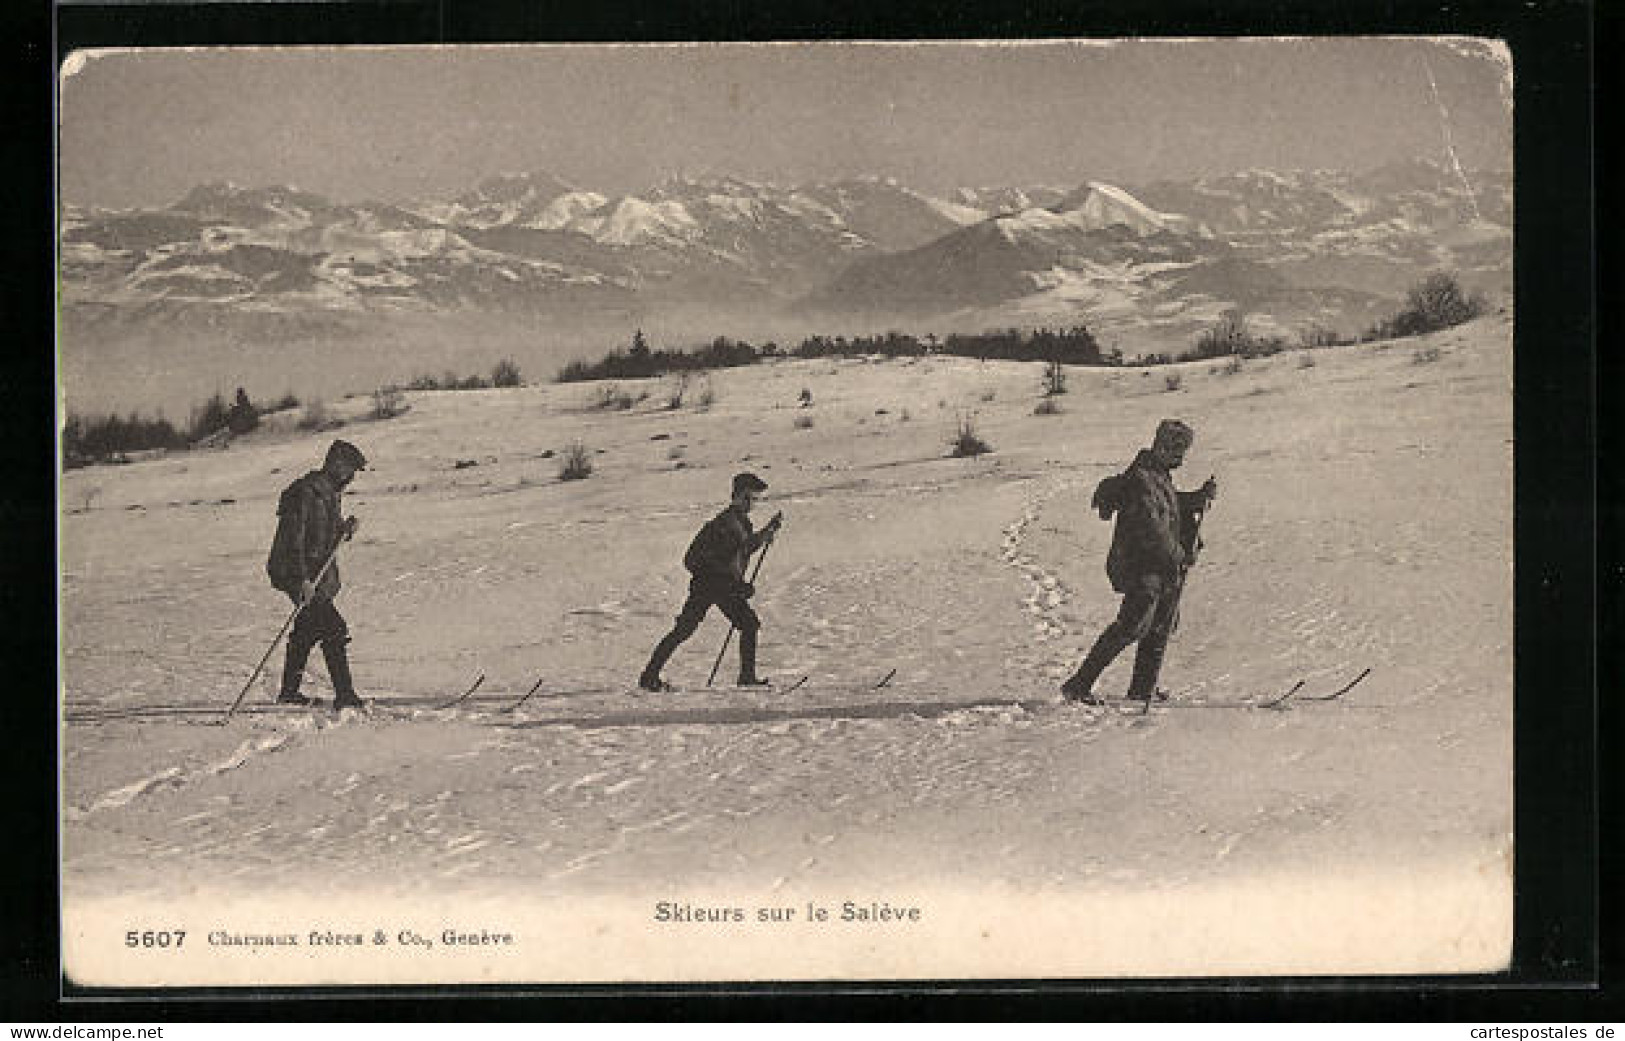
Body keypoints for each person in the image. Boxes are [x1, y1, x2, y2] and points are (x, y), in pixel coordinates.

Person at [1061, 419, 1217, 705]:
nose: (1181, 456)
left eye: (1183, 450)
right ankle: (1078, 684)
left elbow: (1169, 504)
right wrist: (1179, 555)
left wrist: (1196, 498)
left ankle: (1142, 688)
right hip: (1143, 566)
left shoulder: (1158, 476)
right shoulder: (1142, 478)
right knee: (1131, 625)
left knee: (1160, 624)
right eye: (1177, 449)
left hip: (1161, 566)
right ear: (1162, 445)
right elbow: (1152, 527)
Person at [640, 472, 784, 691]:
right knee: (691, 629)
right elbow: (701, 559)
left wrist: (766, 532)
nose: (751, 503)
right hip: (710, 586)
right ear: (736, 496)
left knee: (744, 624)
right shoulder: (724, 524)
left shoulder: (740, 523)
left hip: (718, 586)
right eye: (748, 498)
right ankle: (649, 677)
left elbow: (741, 550)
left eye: (755, 499)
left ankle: (650, 677)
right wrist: (733, 584)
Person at [265, 439, 368, 710]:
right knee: (333, 628)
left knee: (308, 629)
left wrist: (345, 530)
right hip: (294, 570)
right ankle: (345, 696)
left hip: (313, 574)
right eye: (350, 469)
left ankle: (289, 692)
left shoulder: (330, 493)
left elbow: (324, 536)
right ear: (336, 464)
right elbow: (293, 541)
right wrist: (301, 581)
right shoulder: (307, 492)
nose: (352, 477)